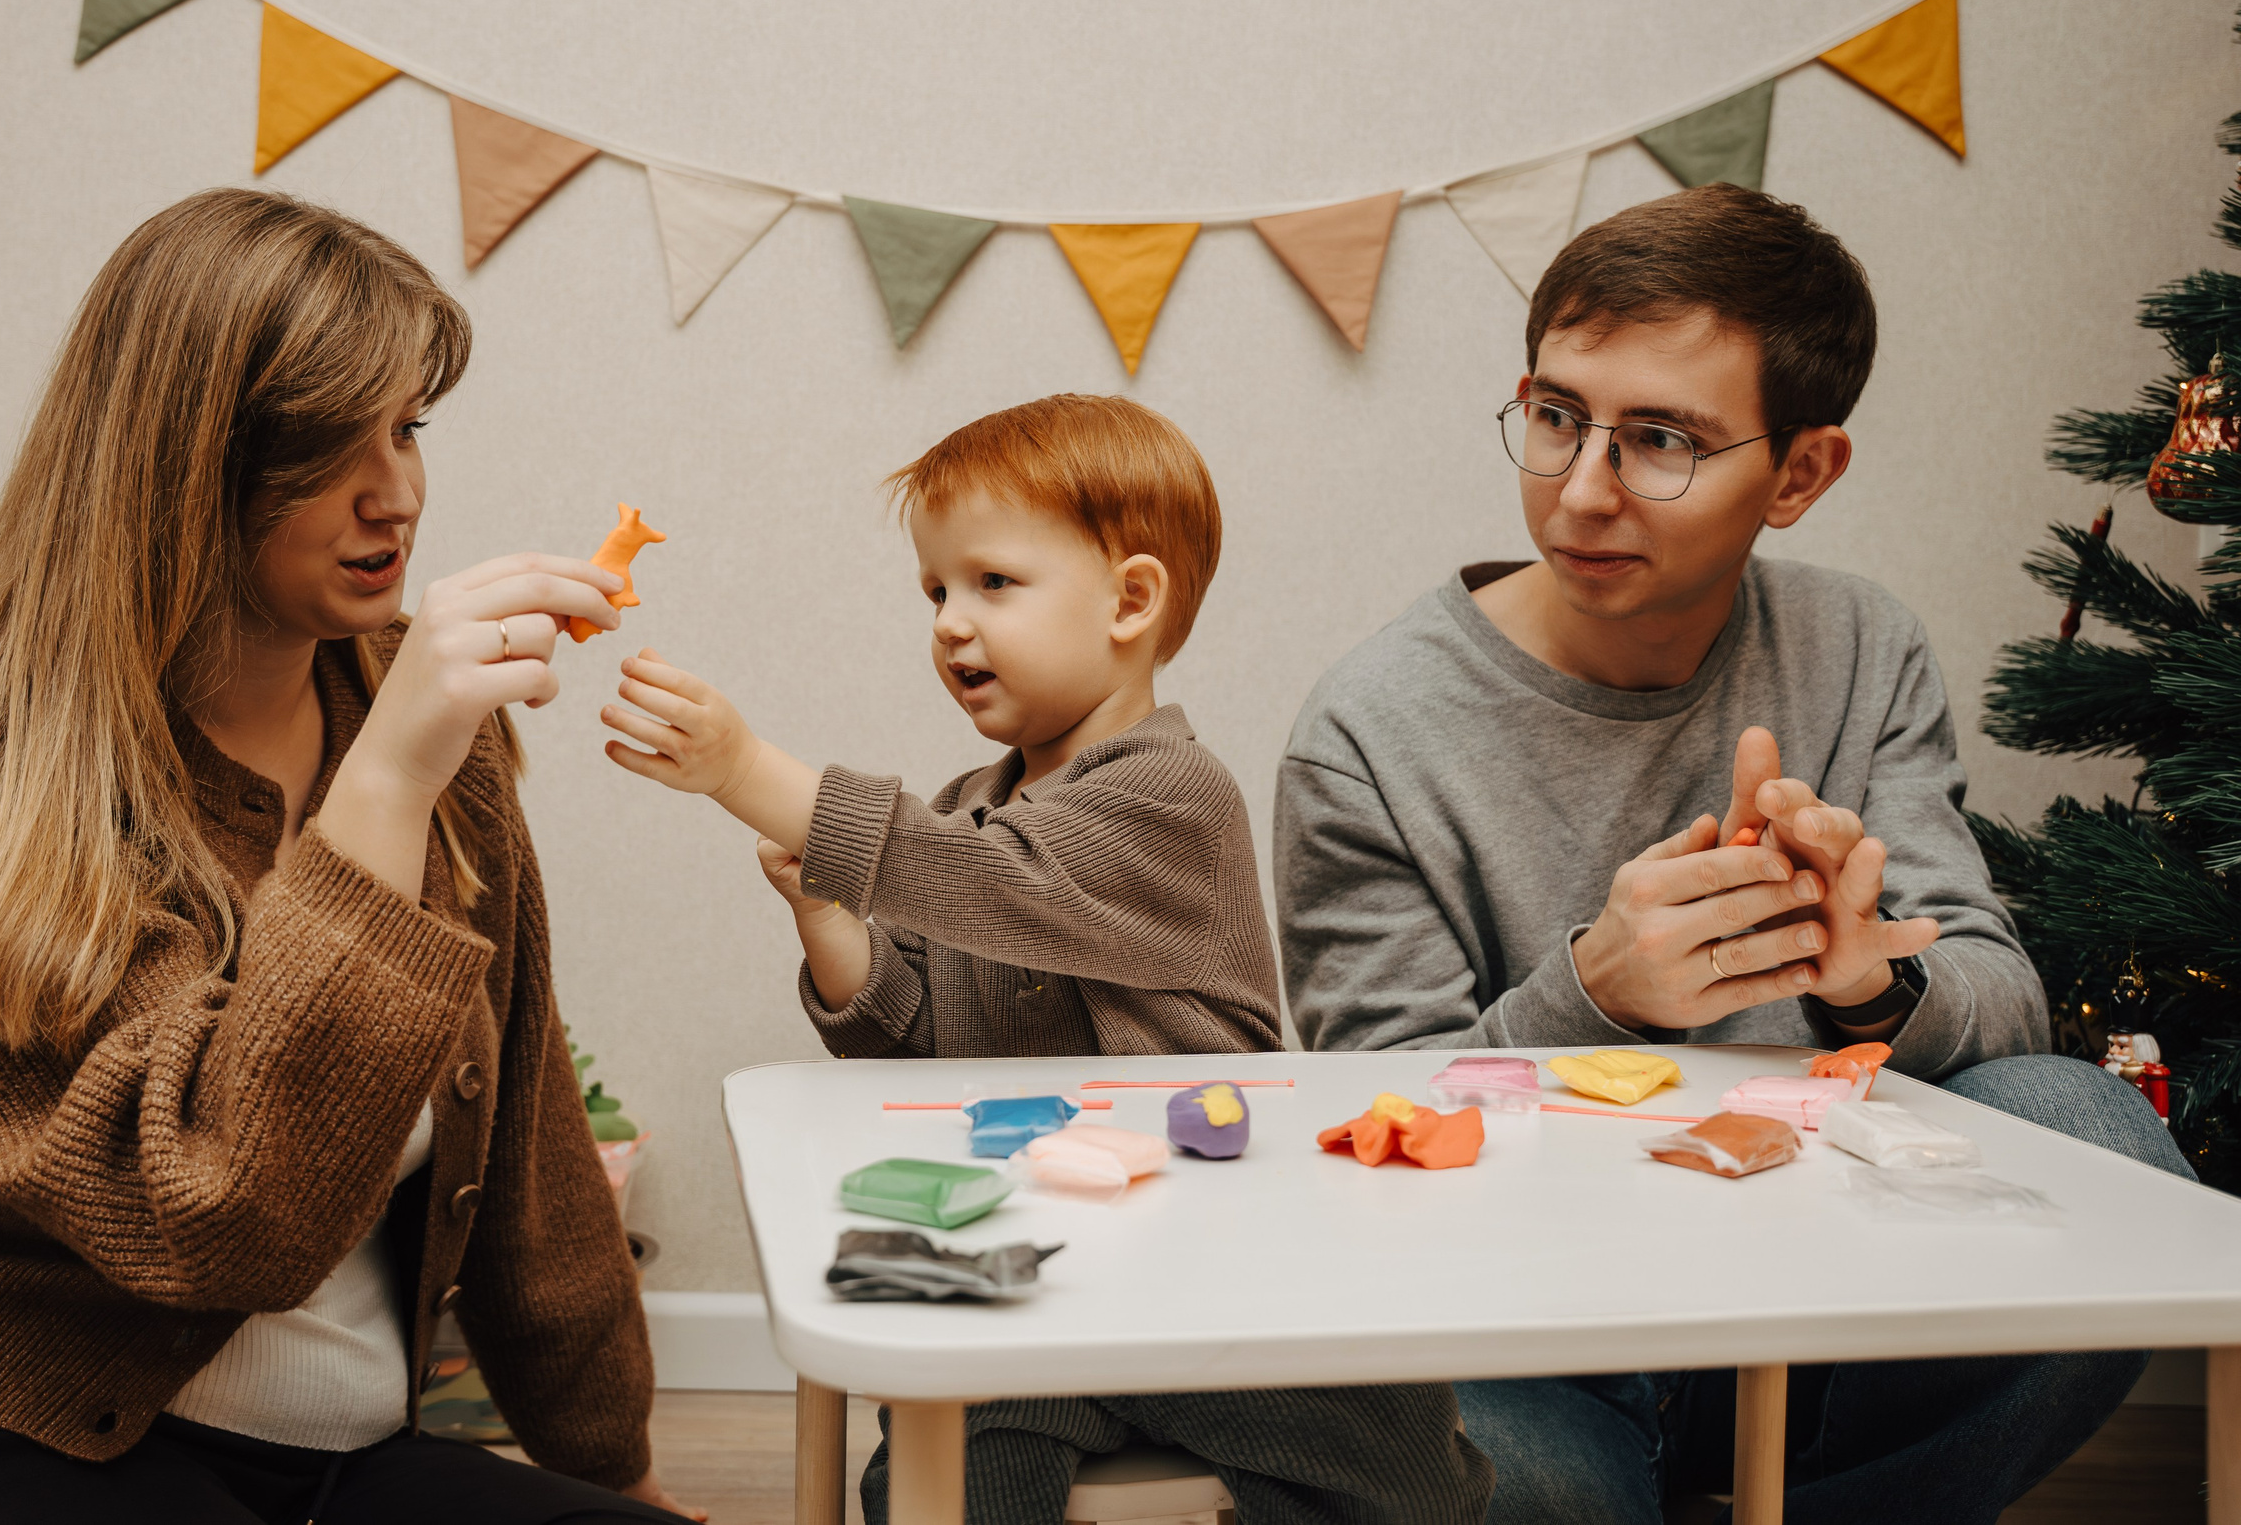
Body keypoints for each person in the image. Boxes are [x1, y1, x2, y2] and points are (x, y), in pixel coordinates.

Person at [0, 189, 700, 1525]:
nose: (396, 490)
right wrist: (387, 784)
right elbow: (214, 1213)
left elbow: (528, 1149)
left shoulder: (420, 729)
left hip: (330, 1461)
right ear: (183, 460)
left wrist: (620, 1473)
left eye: (407, 426)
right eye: (323, 443)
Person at [1272, 184, 2194, 1525]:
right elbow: (1377, 1124)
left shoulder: (1860, 645)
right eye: (1555, 416)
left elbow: (2007, 1001)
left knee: (2102, 1142)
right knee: (1512, 1479)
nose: (1582, 488)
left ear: (1803, 472)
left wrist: (1871, 979)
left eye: (1661, 440)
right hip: (1541, 1332)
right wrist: (1596, 990)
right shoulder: (1368, 728)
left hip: (1828, 1292)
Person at [600, 394, 1493, 1525]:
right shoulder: (961, 811)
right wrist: (832, 924)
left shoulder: (1171, 794)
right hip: (1033, 1276)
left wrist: (744, 769)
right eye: (934, 591)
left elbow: (998, 882)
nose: (948, 623)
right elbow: (905, 1048)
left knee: (1405, 1467)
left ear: (1130, 601)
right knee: (934, 1479)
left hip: (1206, 1272)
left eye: (992, 584)